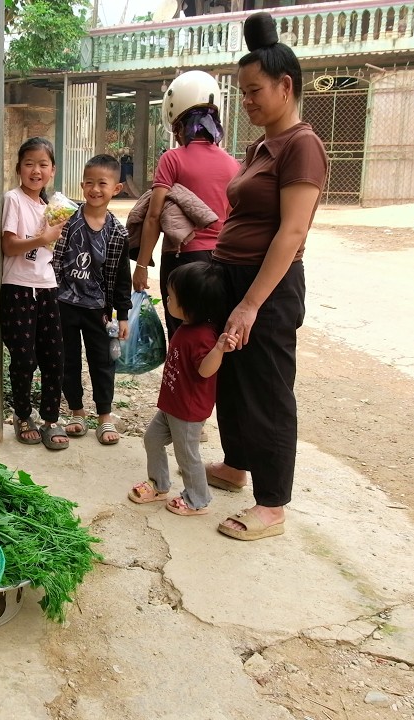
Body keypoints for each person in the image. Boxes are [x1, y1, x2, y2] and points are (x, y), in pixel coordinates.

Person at [206, 12, 329, 541]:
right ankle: (236, 466)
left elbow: (292, 232)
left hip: (268, 288)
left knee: (269, 390)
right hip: (232, 277)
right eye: (243, 91)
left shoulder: (303, 145)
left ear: (286, 86)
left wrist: (250, 304)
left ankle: (272, 504)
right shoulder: (261, 146)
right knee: (233, 381)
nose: (248, 101)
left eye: (255, 91)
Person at [130, 70, 241, 339]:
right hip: (221, 263)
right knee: (210, 335)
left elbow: (154, 217)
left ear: (179, 123)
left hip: (183, 260)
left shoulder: (172, 159)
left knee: (181, 335)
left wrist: (141, 266)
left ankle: (180, 381)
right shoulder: (232, 164)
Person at [127, 262, 235, 514]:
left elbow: (206, 370)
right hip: (171, 405)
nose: (166, 299)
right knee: (152, 439)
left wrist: (218, 349)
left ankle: (198, 499)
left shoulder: (204, 336)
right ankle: (159, 484)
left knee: (187, 456)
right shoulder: (187, 328)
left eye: (172, 296)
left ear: (192, 303)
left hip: (187, 411)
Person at [53, 154, 131, 446]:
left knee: (103, 362)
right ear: (82, 185)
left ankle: (104, 416)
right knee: (67, 359)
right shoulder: (67, 220)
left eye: (102, 184)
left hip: (99, 309)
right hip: (65, 304)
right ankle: (76, 411)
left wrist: (122, 314)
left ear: (116, 189)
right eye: (89, 183)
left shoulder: (118, 232)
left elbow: (122, 277)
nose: (95, 190)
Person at [1, 137, 69, 450]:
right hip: (17, 287)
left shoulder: (50, 208)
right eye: (29, 163)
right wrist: (43, 238)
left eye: (43, 164)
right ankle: (23, 415)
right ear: (18, 169)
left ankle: (51, 419)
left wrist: (50, 237)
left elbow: (51, 249)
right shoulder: (13, 200)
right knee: (24, 358)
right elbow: (9, 245)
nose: (36, 170)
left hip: (47, 287)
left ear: (52, 170)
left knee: (55, 358)